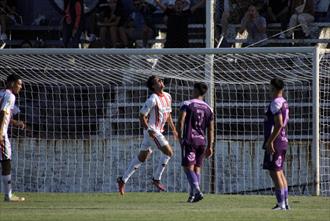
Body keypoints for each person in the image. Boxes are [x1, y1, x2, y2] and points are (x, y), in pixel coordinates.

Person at [117, 75, 178, 195]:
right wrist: (148, 129)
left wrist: (174, 129)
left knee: (142, 157)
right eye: (158, 81)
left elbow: (168, 115)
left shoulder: (168, 96)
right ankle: (156, 179)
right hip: (153, 131)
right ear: (153, 86)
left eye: (161, 80)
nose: (161, 82)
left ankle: (122, 179)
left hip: (155, 131)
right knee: (169, 152)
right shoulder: (153, 99)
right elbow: (141, 115)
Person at [177, 82, 214, 203]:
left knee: (187, 167)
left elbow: (181, 121)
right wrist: (210, 146)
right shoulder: (209, 108)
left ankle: (197, 190)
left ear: (196, 90)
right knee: (197, 167)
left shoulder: (187, 104)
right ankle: (192, 195)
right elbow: (211, 128)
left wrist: (179, 136)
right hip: (202, 141)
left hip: (190, 139)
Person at [263, 78, 290, 210]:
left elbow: (279, 123)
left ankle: (281, 204)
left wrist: (270, 141)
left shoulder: (275, 103)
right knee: (280, 172)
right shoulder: (284, 102)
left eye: (270, 87)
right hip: (283, 140)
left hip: (276, 141)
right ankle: (285, 202)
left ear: (273, 88)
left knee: (275, 172)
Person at [0, 74, 25, 202]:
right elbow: (3, 113)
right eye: (19, 84)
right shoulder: (10, 96)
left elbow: (6, 114)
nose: (20, 86)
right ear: (11, 83)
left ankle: (8, 195)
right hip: (1, 133)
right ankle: (8, 195)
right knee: (6, 161)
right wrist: (0, 133)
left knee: (6, 160)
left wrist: (16, 123)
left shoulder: (1, 93)